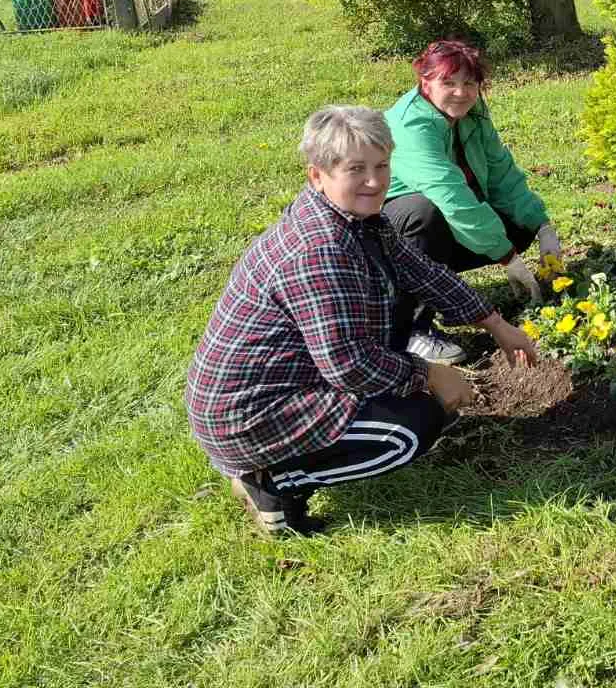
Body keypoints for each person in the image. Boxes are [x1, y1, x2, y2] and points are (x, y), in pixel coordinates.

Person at [186, 105, 538, 536]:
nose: (374, 181)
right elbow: (347, 363)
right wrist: (429, 374)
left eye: (382, 165)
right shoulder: (320, 250)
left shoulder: (357, 218)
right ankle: (271, 483)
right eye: (356, 169)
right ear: (317, 175)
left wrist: (495, 323)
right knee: (409, 430)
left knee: (414, 398)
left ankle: (278, 465)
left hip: (284, 385)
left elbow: (419, 270)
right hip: (250, 414)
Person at [383, 39, 560, 363]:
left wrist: (542, 225)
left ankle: (437, 285)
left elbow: (501, 172)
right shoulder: (412, 125)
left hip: (440, 219)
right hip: (385, 234)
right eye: (447, 82)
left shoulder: (473, 113)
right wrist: (506, 256)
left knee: (517, 224)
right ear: (425, 82)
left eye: (469, 83)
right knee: (425, 213)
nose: (461, 92)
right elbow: (450, 195)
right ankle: (411, 330)